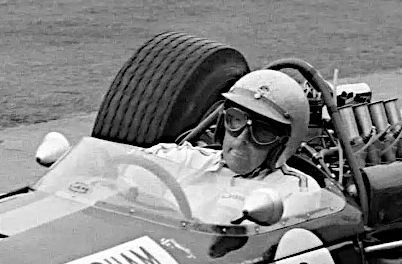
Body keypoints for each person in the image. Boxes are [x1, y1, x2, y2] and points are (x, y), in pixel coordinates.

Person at [135, 69, 322, 222]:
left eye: (262, 132)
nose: (240, 141)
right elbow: (123, 170)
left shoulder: (296, 190)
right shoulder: (183, 159)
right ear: (222, 122)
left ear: (282, 143)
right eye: (236, 121)